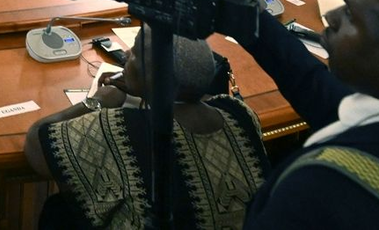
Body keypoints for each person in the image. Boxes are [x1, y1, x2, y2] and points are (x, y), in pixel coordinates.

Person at [24, 27, 268, 230]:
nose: (127, 54)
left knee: (59, 210)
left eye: (135, 54)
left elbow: (37, 145)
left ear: (153, 76)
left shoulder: (119, 127)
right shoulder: (239, 113)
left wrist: (98, 101)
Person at [239, 0, 379, 227]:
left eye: (350, 13)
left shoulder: (318, 188)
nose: (331, 16)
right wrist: (250, 20)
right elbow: (318, 91)